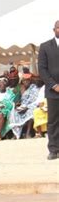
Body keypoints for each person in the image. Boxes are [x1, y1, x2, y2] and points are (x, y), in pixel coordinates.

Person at [38, 20, 59, 160]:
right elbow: (42, 70)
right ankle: (53, 149)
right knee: (53, 121)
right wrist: (54, 85)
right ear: (54, 29)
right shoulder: (45, 46)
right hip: (53, 92)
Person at [9, 73, 39, 139]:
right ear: (22, 81)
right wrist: (18, 105)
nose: (26, 82)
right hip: (22, 106)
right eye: (24, 81)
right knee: (13, 112)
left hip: (31, 106)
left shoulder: (34, 88)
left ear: (30, 81)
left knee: (31, 111)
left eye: (27, 80)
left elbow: (35, 100)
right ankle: (16, 134)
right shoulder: (21, 88)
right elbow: (19, 100)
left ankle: (28, 133)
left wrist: (27, 107)